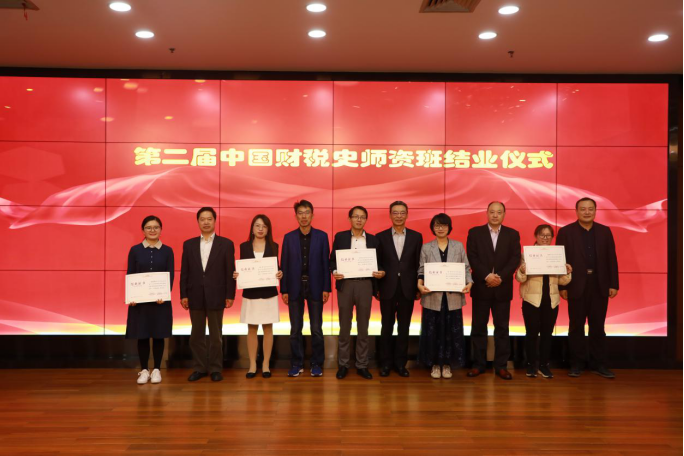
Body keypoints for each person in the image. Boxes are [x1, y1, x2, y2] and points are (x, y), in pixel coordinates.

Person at [556, 197, 619, 379]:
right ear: (576, 211)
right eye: (583, 209)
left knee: (598, 326)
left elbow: (611, 259)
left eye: (590, 209)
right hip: (575, 285)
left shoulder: (605, 231)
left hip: (599, 284)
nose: (587, 212)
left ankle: (599, 364)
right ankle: (576, 364)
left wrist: (613, 284)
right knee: (576, 326)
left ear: (595, 211)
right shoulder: (566, 232)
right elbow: (560, 260)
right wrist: (562, 285)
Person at [466, 201, 521, 380]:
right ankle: (478, 365)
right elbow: (472, 257)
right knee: (478, 328)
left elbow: (515, 259)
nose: (495, 215)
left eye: (499, 212)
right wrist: (486, 276)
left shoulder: (512, 234)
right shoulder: (475, 233)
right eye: (492, 212)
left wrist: (500, 277)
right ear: (487, 213)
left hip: (502, 288)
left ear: (504, 214)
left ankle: (501, 366)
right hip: (481, 287)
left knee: (502, 328)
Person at [180, 207, 236, 382]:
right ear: (198, 222)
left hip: (217, 294)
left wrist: (230, 294)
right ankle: (199, 368)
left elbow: (230, 270)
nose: (206, 222)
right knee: (196, 336)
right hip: (194, 294)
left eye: (209, 219)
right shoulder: (188, 244)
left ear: (215, 221)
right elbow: (185, 272)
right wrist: (183, 294)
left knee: (215, 336)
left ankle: (215, 368)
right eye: (202, 219)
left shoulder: (226, 244)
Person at [330, 206, 384, 380]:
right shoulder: (340, 237)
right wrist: (335, 271)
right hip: (345, 284)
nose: (359, 220)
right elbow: (332, 261)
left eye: (362, 217)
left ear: (366, 220)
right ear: (350, 219)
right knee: (344, 326)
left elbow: (380, 263)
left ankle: (362, 365)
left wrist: (381, 272)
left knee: (363, 326)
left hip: (365, 284)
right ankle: (343, 364)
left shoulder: (373, 240)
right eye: (355, 216)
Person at [417, 213, 473, 379]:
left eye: (444, 225)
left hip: (452, 296)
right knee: (432, 332)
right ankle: (435, 364)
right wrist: (419, 284)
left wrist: (469, 283)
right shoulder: (426, 247)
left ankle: (447, 364)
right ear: (432, 228)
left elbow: (466, 268)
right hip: (432, 296)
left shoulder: (458, 246)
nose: (440, 228)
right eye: (437, 225)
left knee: (451, 332)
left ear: (449, 228)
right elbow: (421, 270)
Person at [280, 200, 331, 377]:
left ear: (312, 215)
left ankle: (317, 363)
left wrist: (326, 288)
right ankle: (297, 363)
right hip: (294, 286)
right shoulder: (288, 238)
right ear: (296, 216)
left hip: (315, 285)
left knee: (316, 328)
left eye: (307, 212)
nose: (304, 216)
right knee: (295, 329)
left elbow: (325, 264)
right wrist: (284, 289)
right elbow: (284, 264)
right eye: (300, 213)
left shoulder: (322, 236)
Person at [516, 224, 572, 379]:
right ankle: (531, 365)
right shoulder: (526, 254)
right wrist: (522, 270)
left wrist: (567, 272)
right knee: (531, 333)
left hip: (551, 300)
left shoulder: (557, 255)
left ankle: (544, 365)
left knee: (547, 334)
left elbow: (562, 281)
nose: (545, 238)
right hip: (531, 300)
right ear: (536, 236)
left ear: (552, 237)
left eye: (548, 235)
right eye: (542, 235)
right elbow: (519, 278)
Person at [376, 201, 423, 377]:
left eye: (402, 213)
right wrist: (376, 288)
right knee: (386, 327)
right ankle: (385, 363)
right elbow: (377, 263)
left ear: (407, 215)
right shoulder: (380, 237)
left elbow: (419, 263)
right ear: (390, 215)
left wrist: (418, 286)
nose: (399, 216)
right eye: (395, 213)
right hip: (387, 287)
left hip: (407, 288)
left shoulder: (416, 237)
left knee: (404, 328)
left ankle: (401, 364)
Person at [125, 215, 174, 385]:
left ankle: (157, 369)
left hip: (161, 302)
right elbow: (130, 274)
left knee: (159, 335)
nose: (152, 230)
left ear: (161, 229)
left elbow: (170, 275)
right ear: (143, 230)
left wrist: (164, 294)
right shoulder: (135, 250)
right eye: (148, 227)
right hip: (140, 303)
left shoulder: (168, 251)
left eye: (156, 227)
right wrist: (132, 296)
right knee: (143, 335)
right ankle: (144, 370)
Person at [234, 215, 283, 379]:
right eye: (257, 226)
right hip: (251, 293)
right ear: (252, 228)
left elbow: (277, 268)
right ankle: (252, 365)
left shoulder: (274, 246)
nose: (260, 229)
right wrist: (237, 274)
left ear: (268, 229)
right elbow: (243, 269)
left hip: (269, 293)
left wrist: (280, 273)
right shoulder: (244, 246)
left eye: (264, 226)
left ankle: (266, 364)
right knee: (252, 329)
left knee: (268, 328)